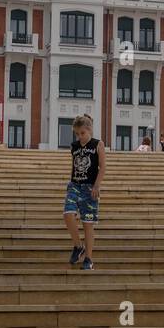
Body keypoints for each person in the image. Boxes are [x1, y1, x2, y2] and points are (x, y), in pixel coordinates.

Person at [64, 115, 103, 271]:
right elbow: (73, 167)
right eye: (77, 134)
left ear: (89, 130)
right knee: (68, 213)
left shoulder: (97, 144)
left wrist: (97, 186)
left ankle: (88, 258)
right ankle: (77, 246)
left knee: (88, 224)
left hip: (89, 190)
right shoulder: (74, 146)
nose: (80, 136)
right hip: (74, 185)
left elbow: (103, 167)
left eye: (82, 133)